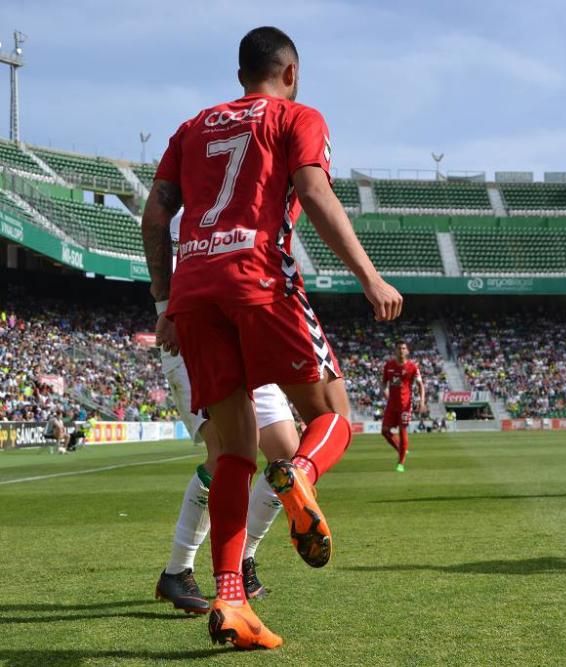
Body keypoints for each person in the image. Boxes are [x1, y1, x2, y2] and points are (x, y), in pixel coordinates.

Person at [142, 26, 402, 649]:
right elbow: (313, 190)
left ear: (240, 75)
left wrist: (164, 301)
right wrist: (369, 276)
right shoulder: (296, 116)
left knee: (233, 452)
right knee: (334, 414)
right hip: (259, 279)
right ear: (292, 71)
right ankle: (301, 474)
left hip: (195, 292)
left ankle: (231, 602)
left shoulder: (192, 127)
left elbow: (156, 217)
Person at [154, 344, 301, 614]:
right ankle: (177, 570)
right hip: (200, 340)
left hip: (248, 343)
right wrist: (170, 309)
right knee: (226, 449)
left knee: (284, 454)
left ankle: (243, 556)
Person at [380, 341, 424, 472]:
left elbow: (420, 385)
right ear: (395, 350)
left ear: (407, 351)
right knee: (385, 431)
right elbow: (383, 383)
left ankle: (401, 463)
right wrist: (385, 392)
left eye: (403, 348)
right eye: (399, 348)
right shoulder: (389, 365)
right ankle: (401, 449)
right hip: (391, 405)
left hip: (405, 405)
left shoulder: (412, 367)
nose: (401, 350)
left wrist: (422, 402)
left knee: (402, 431)